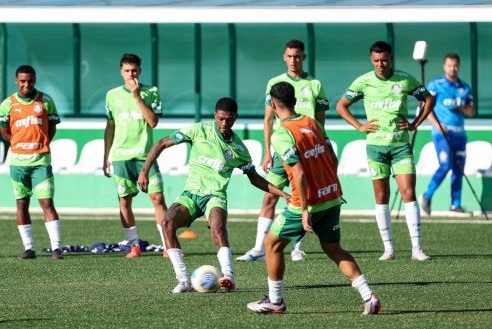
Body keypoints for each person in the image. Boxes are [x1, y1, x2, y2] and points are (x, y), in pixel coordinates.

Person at [247, 82, 380, 315]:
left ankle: (275, 301)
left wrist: (306, 208)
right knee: (334, 249)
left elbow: (297, 172)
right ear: (295, 101)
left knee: (271, 244)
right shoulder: (312, 123)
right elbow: (332, 157)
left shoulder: (282, 133)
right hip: (331, 197)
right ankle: (369, 296)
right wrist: (330, 186)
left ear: (274, 105)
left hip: (305, 204)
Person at [138, 97, 290, 293]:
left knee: (218, 229)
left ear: (235, 118)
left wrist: (282, 194)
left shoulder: (238, 149)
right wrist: (144, 171)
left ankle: (228, 276)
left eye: (228, 119)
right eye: (220, 119)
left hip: (215, 196)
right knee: (167, 223)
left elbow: (255, 179)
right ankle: (184, 280)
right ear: (215, 116)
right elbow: (161, 143)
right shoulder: (199, 130)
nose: (224, 123)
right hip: (191, 194)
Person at [335, 41, 434, 261]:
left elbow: (429, 98)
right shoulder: (363, 82)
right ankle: (388, 249)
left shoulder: (404, 79)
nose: (381, 64)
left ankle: (416, 248)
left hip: (400, 146)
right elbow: (341, 106)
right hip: (376, 148)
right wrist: (360, 126)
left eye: (385, 60)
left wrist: (415, 123)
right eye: (376, 61)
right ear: (371, 60)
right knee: (381, 196)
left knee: (408, 193)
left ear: (391, 58)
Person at [237, 39, 329, 263]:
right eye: (289, 56)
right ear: (284, 57)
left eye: (297, 56)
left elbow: (320, 122)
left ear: (303, 57)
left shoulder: (315, 85)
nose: (293, 60)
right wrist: (267, 152)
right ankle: (259, 248)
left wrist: (323, 147)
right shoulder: (274, 83)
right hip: (282, 150)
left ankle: (297, 247)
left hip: (307, 149)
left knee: (304, 197)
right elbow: (268, 120)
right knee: (270, 197)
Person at [103, 53, 168, 259]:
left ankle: (169, 245)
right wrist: (106, 156)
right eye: (127, 71)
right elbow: (110, 127)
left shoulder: (151, 92)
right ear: (121, 72)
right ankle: (133, 246)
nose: (131, 74)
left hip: (145, 156)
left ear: (140, 71)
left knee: (157, 198)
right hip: (121, 157)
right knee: (125, 200)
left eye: (134, 70)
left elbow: (153, 122)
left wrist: (137, 96)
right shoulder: (111, 95)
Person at [0, 65, 63, 260]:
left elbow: (52, 128)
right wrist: (19, 144)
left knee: (46, 202)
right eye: (23, 81)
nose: (27, 84)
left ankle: (57, 248)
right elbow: (4, 132)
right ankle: (29, 248)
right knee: (21, 204)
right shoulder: (7, 104)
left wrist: (41, 143)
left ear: (35, 80)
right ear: (16, 81)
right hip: (18, 163)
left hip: (41, 161)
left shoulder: (46, 101)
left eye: (30, 81)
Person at [422, 53, 475, 215]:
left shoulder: (464, 87)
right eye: (450, 65)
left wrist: (463, 108)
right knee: (445, 166)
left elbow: (472, 111)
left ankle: (455, 204)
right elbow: (426, 107)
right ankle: (426, 196)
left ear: (459, 66)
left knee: (459, 169)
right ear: (445, 66)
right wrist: (437, 125)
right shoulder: (436, 85)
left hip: (460, 134)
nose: (453, 68)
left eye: (455, 65)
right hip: (443, 134)